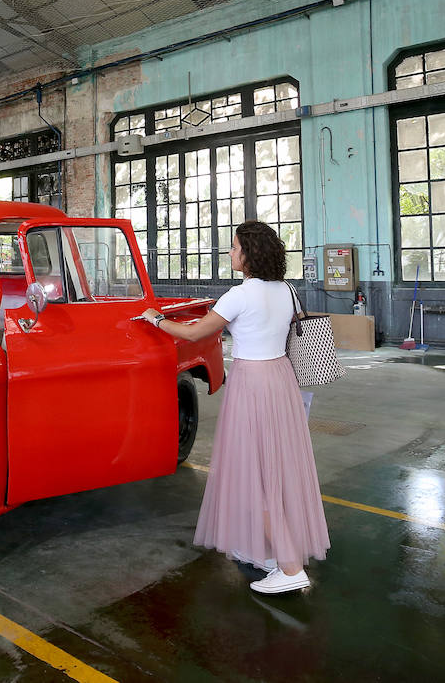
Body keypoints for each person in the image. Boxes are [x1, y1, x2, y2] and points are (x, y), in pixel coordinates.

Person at [141, 220, 330, 594]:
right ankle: (275, 554)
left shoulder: (239, 295)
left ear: (249, 254)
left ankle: (290, 568)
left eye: (233, 247)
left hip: (252, 382)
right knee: (278, 470)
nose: (229, 252)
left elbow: (196, 333)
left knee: (256, 474)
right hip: (281, 380)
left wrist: (157, 319)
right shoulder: (287, 290)